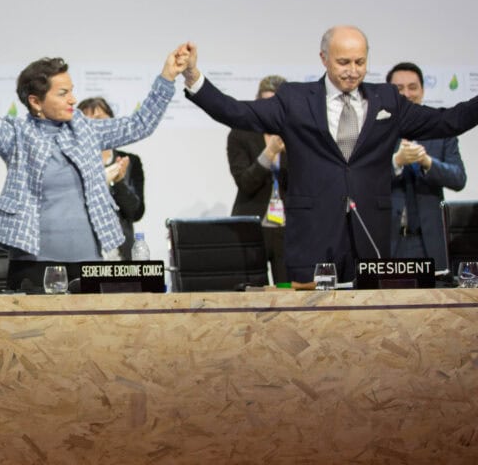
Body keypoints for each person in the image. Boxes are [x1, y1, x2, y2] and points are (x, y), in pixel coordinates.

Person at [181, 26, 478, 284]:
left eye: (360, 62)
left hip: (370, 236)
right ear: (323, 58)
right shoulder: (295, 99)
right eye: (343, 62)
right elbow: (237, 112)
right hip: (313, 239)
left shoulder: (387, 99)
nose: (353, 70)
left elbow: (446, 120)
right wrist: (194, 77)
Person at [0, 31, 189, 290]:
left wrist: (168, 76)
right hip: (34, 265)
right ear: (36, 101)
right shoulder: (16, 136)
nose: (72, 99)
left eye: (72, 91)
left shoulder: (85, 130)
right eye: (62, 93)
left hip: (90, 262)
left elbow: (140, 124)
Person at [386, 62, 466, 272]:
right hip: (387, 241)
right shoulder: (376, 131)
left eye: (412, 87)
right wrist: (396, 162)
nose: (407, 94)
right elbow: (361, 180)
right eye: (398, 89)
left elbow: (458, 178)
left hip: (428, 241)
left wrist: (427, 162)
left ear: (422, 90)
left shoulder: (442, 130)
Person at [226, 75, 290, 283]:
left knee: (288, 292)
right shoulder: (240, 133)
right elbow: (245, 182)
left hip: (288, 229)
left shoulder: (296, 134)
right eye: (264, 103)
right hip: (253, 226)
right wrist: (269, 153)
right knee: (254, 296)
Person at [77, 97, 146, 260]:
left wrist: (119, 182)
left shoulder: (129, 161)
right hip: (85, 251)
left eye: (100, 120)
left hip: (121, 252)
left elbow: (136, 212)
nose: (94, 126)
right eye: (87, 121)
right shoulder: (73, 162)